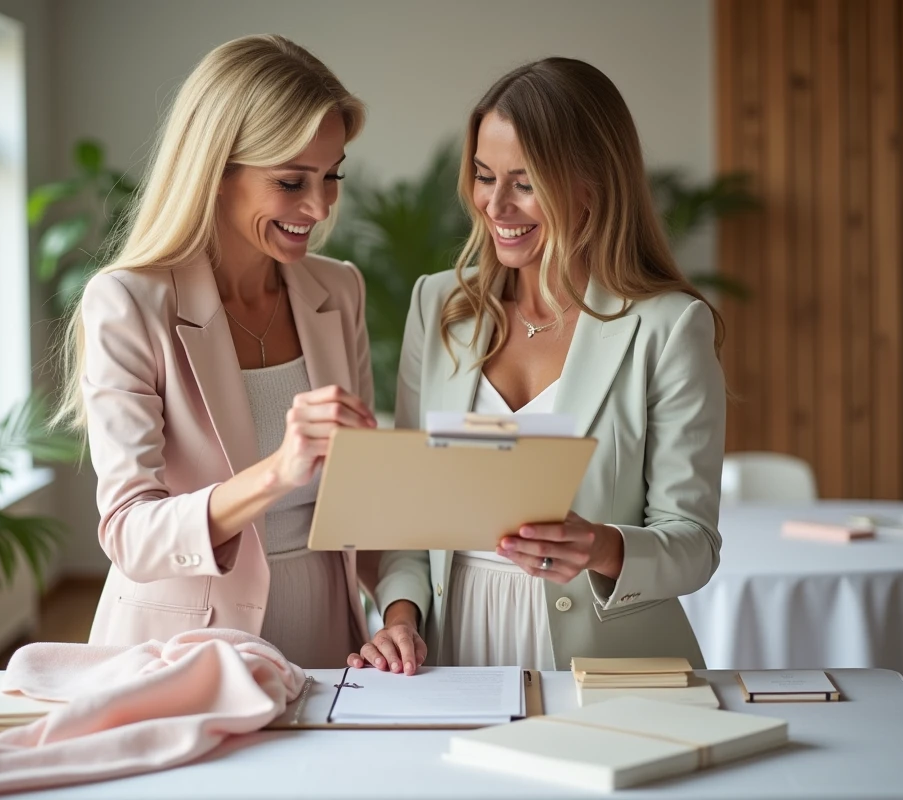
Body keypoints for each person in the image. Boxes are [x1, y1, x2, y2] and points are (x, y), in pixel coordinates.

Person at [352, 57, 726, 674]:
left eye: (524, 182)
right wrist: (398, 621)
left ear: (592, 185)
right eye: (482, 175)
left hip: (608, 663)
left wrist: (603, 545)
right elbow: (410, 524)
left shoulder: (669, 325)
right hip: (454, 651)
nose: (495, 205)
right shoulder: (439, 304)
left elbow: (694, 544)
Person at [54, 35, 377, 668]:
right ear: (216, 171)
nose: (319, 206)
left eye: (332, 175)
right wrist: (278, 471)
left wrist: (396, 613)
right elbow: (130, 533)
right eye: (291, 181)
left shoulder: (338, 290)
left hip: (328, 633)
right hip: (181, 650)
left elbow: (362, 498)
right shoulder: (129, 301)